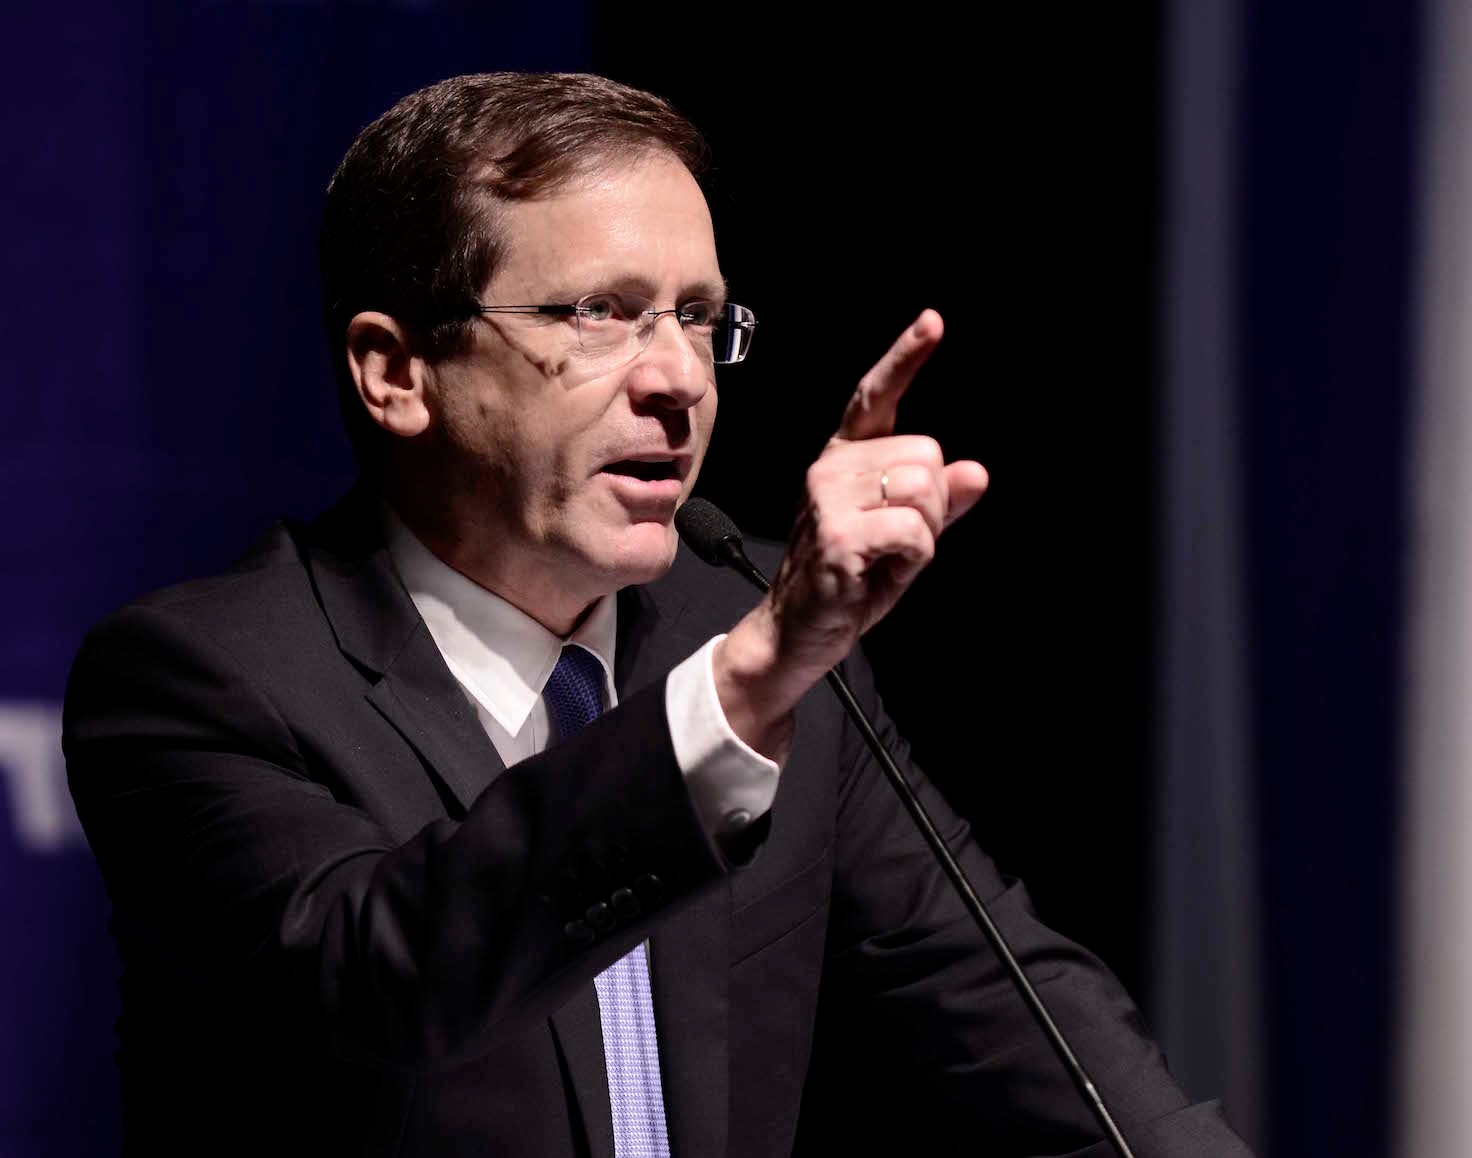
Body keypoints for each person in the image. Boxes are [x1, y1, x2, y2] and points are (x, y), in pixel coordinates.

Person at [63, 72, 1252, 1157]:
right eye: (598, 312)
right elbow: (385, 979)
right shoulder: (201, 680)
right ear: (396, 372)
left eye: (696, 317)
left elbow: (1014, 1026)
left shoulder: (740, 639)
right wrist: (738, 693)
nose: (678, 377)